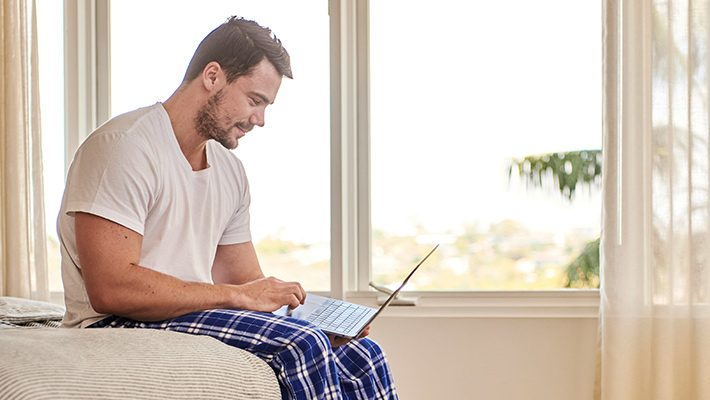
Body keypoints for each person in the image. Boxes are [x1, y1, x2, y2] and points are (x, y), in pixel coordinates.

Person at [57, 16, 398, 400]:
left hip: (189, 315)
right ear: (213, 76)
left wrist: (310, 319)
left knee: (362, 354)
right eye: (255, 101)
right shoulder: (124, 147)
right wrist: (241, 299)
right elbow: (111, 289)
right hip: (116, 323)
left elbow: (244, 281)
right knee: (302, 346)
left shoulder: (229, 170)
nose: (260, 120)